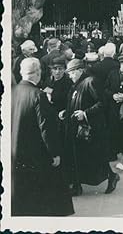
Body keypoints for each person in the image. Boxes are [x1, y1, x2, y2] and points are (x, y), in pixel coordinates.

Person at [11, 57, 74, 216]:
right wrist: (54, 153)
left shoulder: (13, 91)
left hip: (16, 149)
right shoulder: (38, 95)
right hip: (36, 152)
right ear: (38, 73)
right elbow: (46, 128)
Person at [60, 58, 120, 196]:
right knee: (78, 157)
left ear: (80, 71)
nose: (69, 76)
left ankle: (111, 176)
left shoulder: (90, 82)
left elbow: (102, 103)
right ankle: (77, 185)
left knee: (94, 157)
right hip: (77, 127)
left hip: (90, 128)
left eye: (71, 73)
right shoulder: (76, 84)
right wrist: (66, 111)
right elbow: (75, 102)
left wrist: (85, 114)